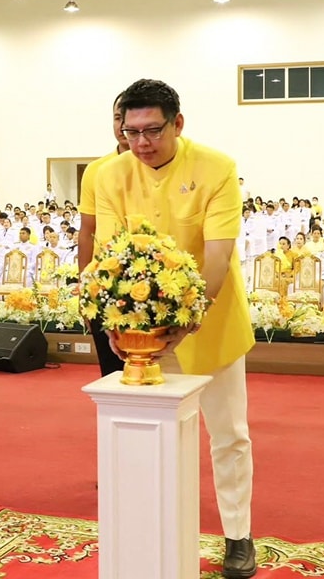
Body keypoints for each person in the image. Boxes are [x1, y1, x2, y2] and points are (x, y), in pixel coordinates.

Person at [94, 79, 256, 579]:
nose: (141, 143)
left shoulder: (216, 167)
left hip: (211, 323)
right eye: (131, 132)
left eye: (152, 131)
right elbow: (108, 255)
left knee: (228, 435)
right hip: (142, 334)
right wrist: (115, 325)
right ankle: (150, 528)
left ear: (178, 123)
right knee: (145, 432)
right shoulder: (110, 174)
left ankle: (237, 535)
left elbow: (218, 254)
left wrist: (185, 324)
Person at [77, 93, 129, 377]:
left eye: (128, 118)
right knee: (112, 375)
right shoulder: (97, 170)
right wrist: (85, 291)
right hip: (105, 285)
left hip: (153, 283)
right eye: (117, 118)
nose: (122, 126)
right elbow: (87, 233)